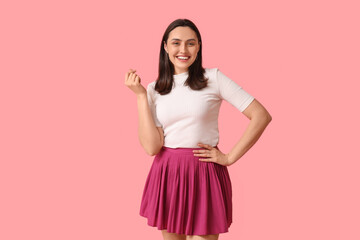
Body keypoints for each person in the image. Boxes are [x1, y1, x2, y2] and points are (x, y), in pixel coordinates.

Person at [125, 18, 272, 240]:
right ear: (165, 46)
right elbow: (152, 147)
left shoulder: (213, 78)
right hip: (168, 173)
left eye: (190, 43)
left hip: (204, 172)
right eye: (176, 43)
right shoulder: (155, 89)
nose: (183, 50)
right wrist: (140, 96)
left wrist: (230, 157)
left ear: (199, 46)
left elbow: (261, 115)